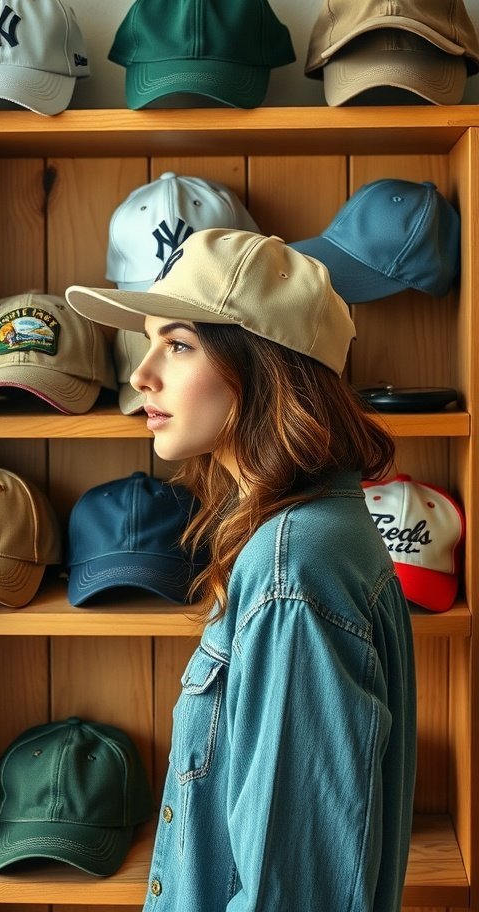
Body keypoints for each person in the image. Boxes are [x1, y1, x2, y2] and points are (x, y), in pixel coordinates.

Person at [65, 228, 417, 912]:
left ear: (265, 364)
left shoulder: (295, 569)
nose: (141, 376)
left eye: (178, 344)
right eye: (148, 342)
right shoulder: (300, 539)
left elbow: (295, 893)